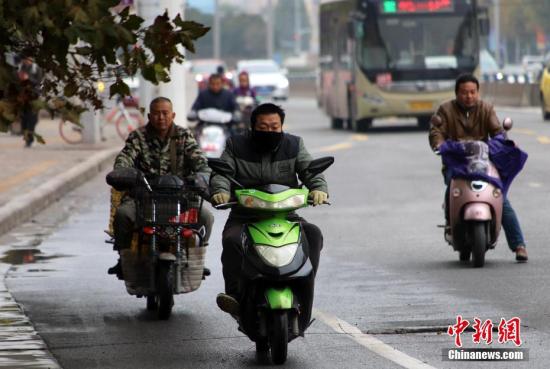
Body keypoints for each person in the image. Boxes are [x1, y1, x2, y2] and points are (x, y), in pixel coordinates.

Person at [210, 103, 329, 319]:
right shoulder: (235, 145)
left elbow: (310, 170)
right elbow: (221, 174)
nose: (269, 131)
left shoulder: (294, 145)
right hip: (244, 216)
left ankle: (304, 284)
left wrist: (319, 189)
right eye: (263, 127)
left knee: (313, 234)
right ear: (253, 126)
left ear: (281, 126)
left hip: (286, 215)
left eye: (274, 127)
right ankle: (235, 296)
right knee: (231, 241)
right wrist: (220, 191)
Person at [108, 97, 214, 277]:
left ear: (172, 115)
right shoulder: (138, 137)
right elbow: (124, 159)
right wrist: (122, 172)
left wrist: (202, 177)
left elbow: (200, 161)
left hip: (180, 199)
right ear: (149, 115)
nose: (161, 117)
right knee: (123, 215)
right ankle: (123, 257)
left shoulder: (184, 136)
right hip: (144, 198)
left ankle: (197, 256)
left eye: (165, 113)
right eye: (156, 113)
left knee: (206, 217)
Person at [429, 74, 528, 262]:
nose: (469, 96)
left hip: (482, 161)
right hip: (456, 162)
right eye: (464, 92)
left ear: (477, 92)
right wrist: (439, 145)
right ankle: (452, 224)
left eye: (473, 92)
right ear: (457, 93)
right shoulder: (445, 110)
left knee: (501, 198)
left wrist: (501, 141)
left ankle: (519, 245)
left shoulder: (486, 109)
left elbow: (497, 132)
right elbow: (437, 132)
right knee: (451, 188)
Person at [17, 57, 42, 147]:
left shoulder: (36, 69)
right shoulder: (20, 67)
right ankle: (26, 136)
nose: (26, 61)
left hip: (33, 98)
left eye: (28, 59)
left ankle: (29, 140)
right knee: (24, 121)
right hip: (23, 98)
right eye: (25, 59)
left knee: (32, 120)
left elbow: (38, 82)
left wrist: (28, 78)